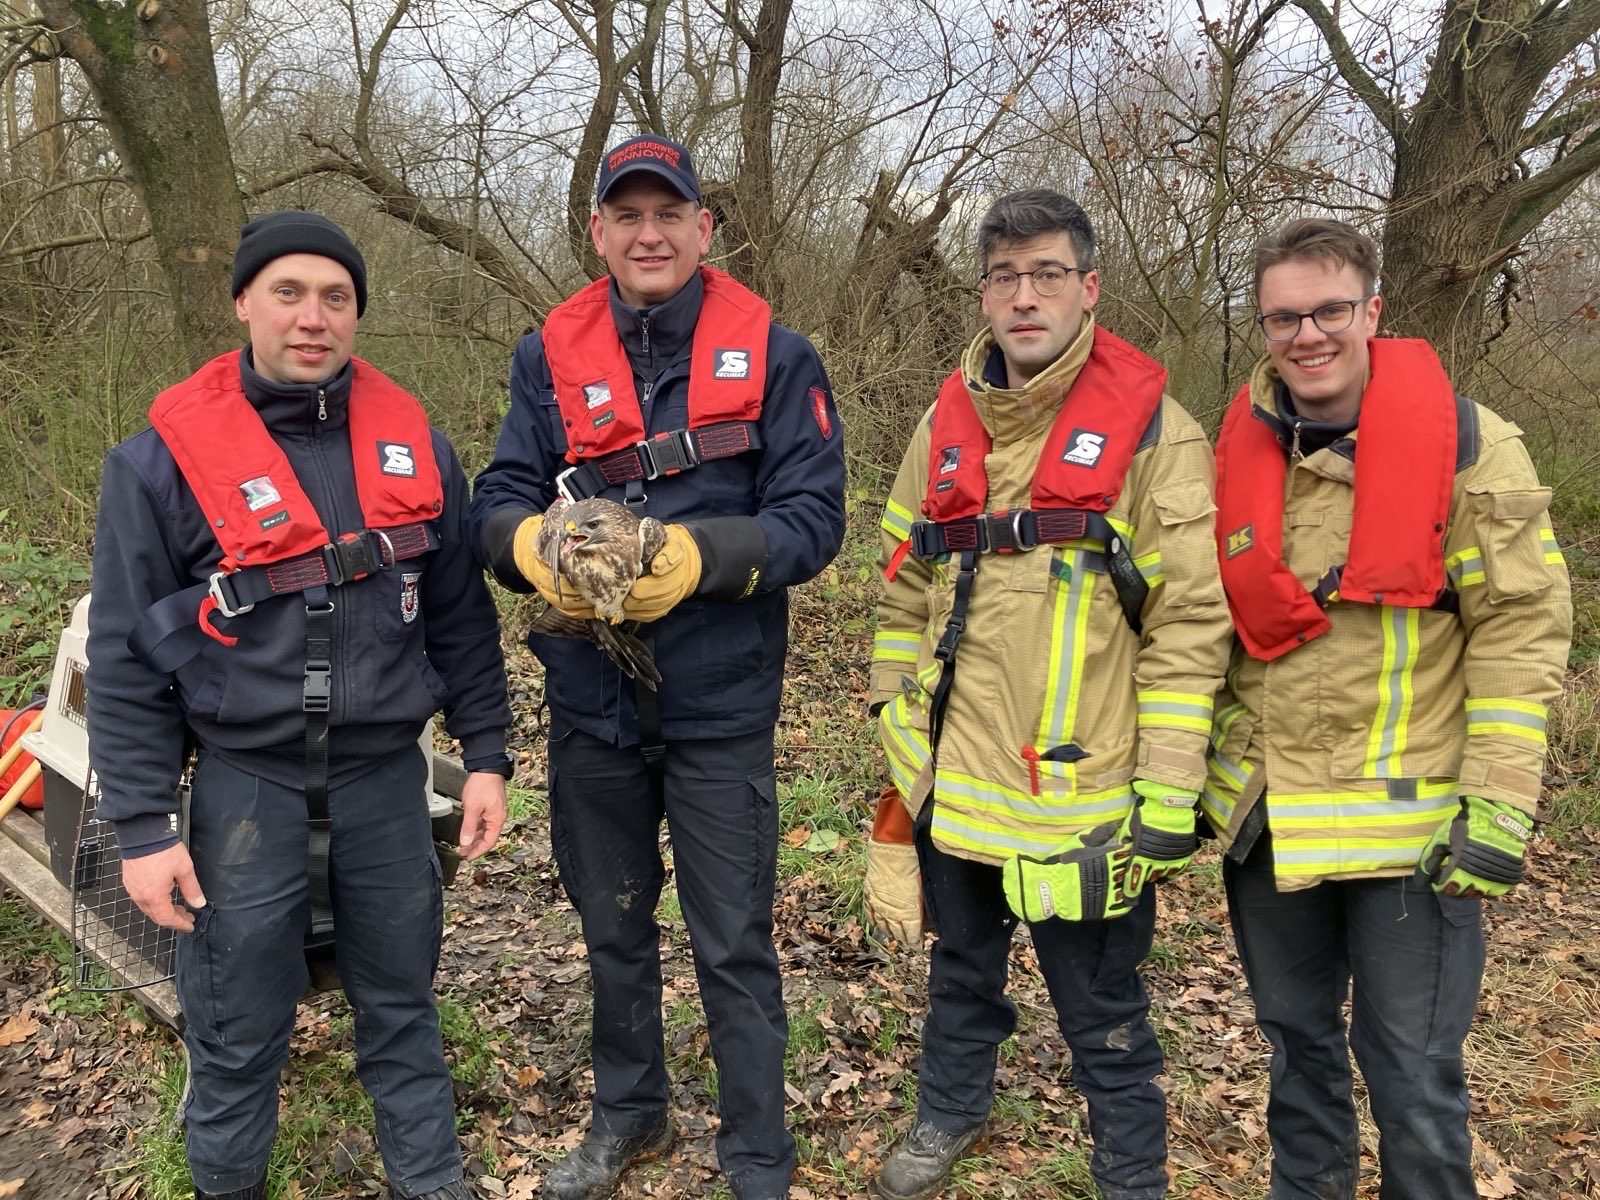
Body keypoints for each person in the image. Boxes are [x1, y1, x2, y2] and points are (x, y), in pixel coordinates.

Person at [86, 210, 514, 1200]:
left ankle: (432, 1185)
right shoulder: (156, 466)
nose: (312, 317)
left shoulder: (420, 453)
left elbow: (459, 622)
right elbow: (125, 660)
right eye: (287, 292)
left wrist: (485, 754)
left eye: (336, 297)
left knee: (403, 1015)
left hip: (383, 791)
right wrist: (144, 830)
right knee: (237, 1033)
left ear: (358, 313)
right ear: (243, 301)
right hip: (247, 794)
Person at [468, 134, 845, 1200]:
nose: (647, 233)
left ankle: (757, 1151)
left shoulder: (777, 354)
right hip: (590, 701)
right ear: (597, 233)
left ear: (701, 229)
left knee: (732, 941)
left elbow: (817, 521)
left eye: (666, 214)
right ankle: (630, 1115)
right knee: (613, 927)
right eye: (625, 215)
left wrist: (698, 558)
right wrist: (530, 548)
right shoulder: (548, 356)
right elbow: (495, 498)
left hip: (720, 699)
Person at [863, 188, 1232, 1200]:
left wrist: (1167, 785)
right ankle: (950, 1110)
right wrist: (897, 713)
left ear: (1088, 288)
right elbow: (900, 581)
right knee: (959, 976)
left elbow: (1193, 625)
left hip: (1084, 793)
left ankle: (1129, 1170)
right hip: (957, 780)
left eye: (1047, 275)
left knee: (1102, 1005)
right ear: (981, 293)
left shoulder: (1159, 433)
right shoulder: (944, 422)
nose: (1025, 296)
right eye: (1005, 277)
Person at [1205, 217, 1573, 1199]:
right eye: (1283, 316)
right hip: (1271, 819)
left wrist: (1497, 805)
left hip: (1411, 833)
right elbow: (1200, 633)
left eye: (1328, 309)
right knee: (1297, 1058)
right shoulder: (1236, 452)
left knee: (1411, 1081)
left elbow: (1518, 636)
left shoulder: (1466, 447)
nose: (1306, 334)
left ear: (1371, 311)